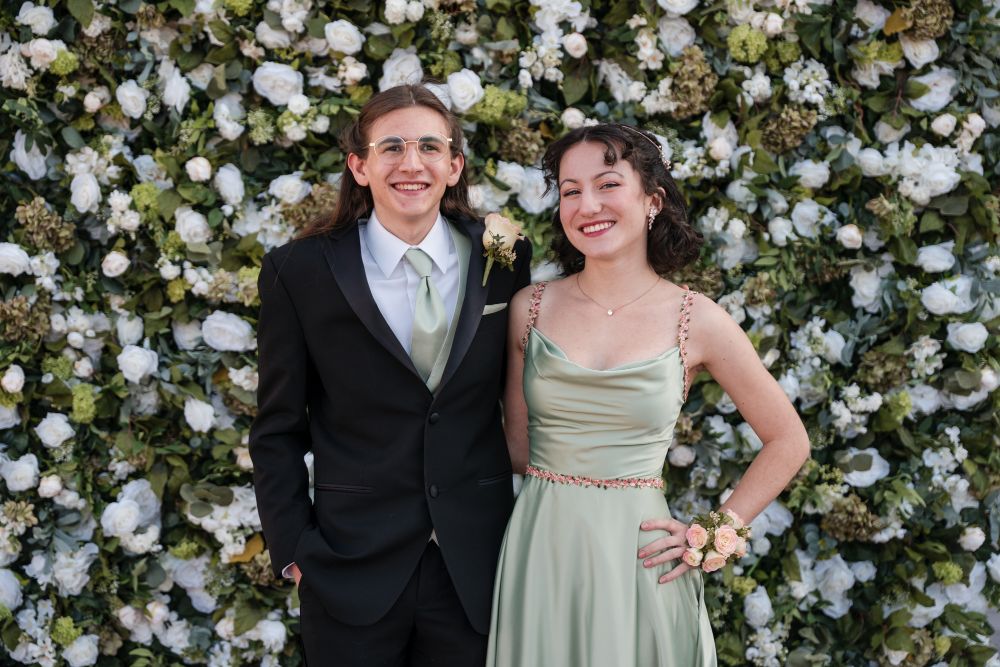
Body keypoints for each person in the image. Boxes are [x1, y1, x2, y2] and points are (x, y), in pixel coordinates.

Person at [486, 123, 810, 666]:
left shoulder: (698, 319)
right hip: (541, 551)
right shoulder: (529, 308)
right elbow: (518, 449)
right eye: (571, 191)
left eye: (608, 184)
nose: (588, 205)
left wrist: (714, 533)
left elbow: (788, 440)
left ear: (652, 200)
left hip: (641, 560)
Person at [249, 84, 532, 666]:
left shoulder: (504, 259)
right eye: (392, 147)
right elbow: (277, 428)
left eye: (430, 146)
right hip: (349, 569)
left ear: (454, 166)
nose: (412, 163)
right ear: (360, 166)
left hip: (476, 568)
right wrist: (296, 551)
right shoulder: (298, 271)